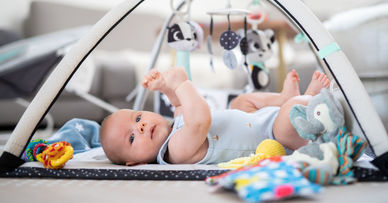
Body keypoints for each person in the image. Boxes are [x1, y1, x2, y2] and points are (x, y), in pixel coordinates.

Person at [100, 67, 330, 166]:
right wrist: (181, 83)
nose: (140, 127)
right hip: (274, 137)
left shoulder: (173, 130)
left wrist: (165, 88)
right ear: (135, 163)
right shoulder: (175, 151)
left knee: (241, 102)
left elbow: (179, 104)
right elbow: (200, 121)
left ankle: (283, 99)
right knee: (290, 116)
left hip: (258, 119)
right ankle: (306, 101)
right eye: (131, 138)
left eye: (138, 118)